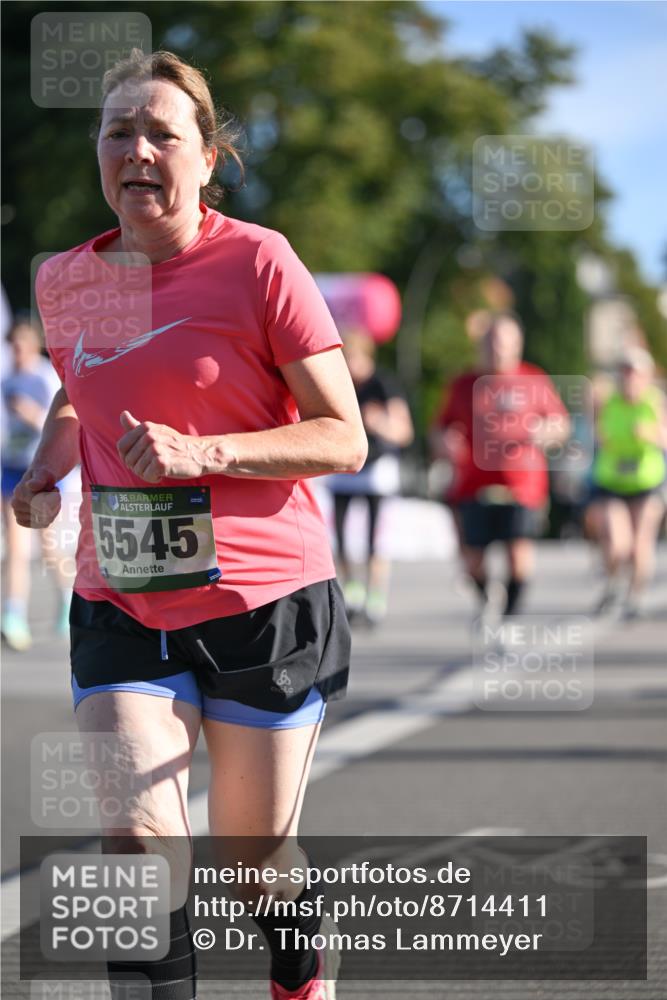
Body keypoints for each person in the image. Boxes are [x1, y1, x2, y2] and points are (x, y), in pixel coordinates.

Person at [13, 49, 367, 1000]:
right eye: (117, 130)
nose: (137, 149)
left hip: (264, 601)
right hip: (122, 597)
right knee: (135, 840)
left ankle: (299, 970)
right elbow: (79, 391)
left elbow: (345, 438)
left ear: (208, 158)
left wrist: (206, 454)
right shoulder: (67, 280)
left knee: (254, 864)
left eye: (162, 133)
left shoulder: (257, 261)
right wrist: (51, 459)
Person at [431, 312, 570, 619]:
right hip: (473, 483)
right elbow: (439, 428)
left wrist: (545, 433)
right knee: (473, 560)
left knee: (518, 555)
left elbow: (560, 424)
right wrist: (444, 443)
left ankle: (509, 618)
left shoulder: (533, 379)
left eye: (505, 342)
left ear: (517, 344)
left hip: (522, 483)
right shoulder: (463, 384)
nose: (498, 349)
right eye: (492, 341)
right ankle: (488, 600)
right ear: (482, 344)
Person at [326, 331, 413, 625]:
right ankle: (352, 589)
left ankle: (375, 595)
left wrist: (379, 423)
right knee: (339, 536)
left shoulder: (383, 384)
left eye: (354, 359)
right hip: (343, 468)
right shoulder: (338, 384)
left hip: (377, 470)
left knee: (375, 540)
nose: (350, 367)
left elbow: (404, 432)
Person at [2, 318, 71, 649]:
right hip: (12, 466)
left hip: (43, 469)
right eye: (10, 348)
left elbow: (62, 419)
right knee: (16, 546)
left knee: (47, 545)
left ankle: (68, 600)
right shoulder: (7, 376)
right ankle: (13, 615)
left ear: (30, 347)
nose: (14, 354)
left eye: (18, 348)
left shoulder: (45, 375)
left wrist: (30, 414)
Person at [587, 346, 666, 617]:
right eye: (625, 373)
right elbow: (594, 431)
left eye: (635, 374)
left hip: (647, 482)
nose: (630, 379)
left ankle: (636, 595)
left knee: (640, 543)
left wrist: (652, 434)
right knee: (617, 541)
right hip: (613, 482)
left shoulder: (654, 403)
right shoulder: (609, 402)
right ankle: (613, 582)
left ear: (646, 377)